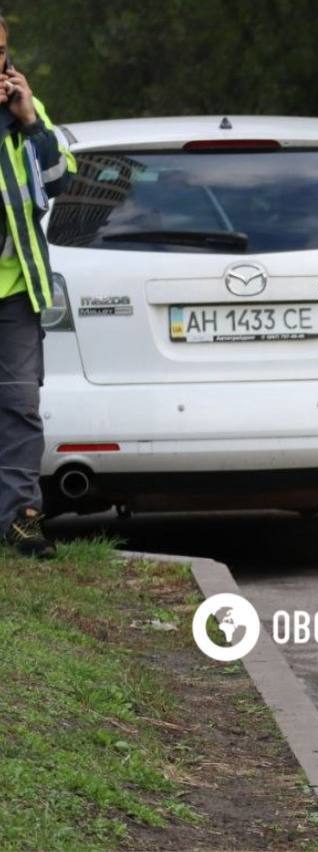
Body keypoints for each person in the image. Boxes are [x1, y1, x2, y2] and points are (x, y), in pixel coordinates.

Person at [0, 16, 75, 560]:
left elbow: (61, 180)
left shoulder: (23, 107)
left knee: (20, 405)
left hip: (14, 288)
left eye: (0, 50)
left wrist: (28, 124)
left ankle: (21, 519)